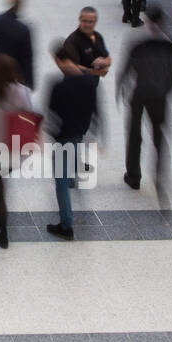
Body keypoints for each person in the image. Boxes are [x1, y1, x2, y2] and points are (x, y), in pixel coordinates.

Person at [117, 5, 172, 202]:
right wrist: (166, 89)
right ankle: (160, 175)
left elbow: (126, 68)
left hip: (140, 92)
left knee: (135, 134)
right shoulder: (169, 43)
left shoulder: (138, 41)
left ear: (148, 20)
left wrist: (121, 88)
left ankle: (133, 175)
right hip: (159, 95)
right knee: (159, 135)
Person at [45, 42, 100, 240]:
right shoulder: (90, 81)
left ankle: (66, 225)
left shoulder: (58, 86)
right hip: (79, 133)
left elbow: (52, 116)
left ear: (58, 59)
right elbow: (95, 110)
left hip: (63, 137)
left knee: (60, 182)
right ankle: (71, 178)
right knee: (70, 164)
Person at [0, 51, 31, 249]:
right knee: (2, 188)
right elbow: (29, 114)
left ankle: (3, 234)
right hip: (12, 150)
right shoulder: (21, 92)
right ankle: (4, 234)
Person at [62, 6, 111, 78]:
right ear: (79, 19)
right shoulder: (72, 41)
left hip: (92, 85)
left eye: (91, 22)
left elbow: (107, 57)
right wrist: (94, 72)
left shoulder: (98, 37)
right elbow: (68, 66)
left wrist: (105, 62)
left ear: (95, 22)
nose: (87, 25)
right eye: (84, 21)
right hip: (74, 86)